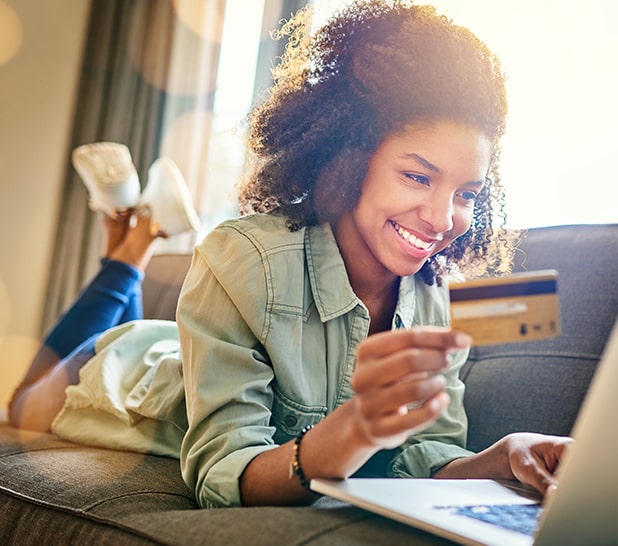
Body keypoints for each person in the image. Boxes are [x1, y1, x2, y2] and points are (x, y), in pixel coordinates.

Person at [10, 0, 571, 511]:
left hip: (192, 349)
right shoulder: (244, 256)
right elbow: (221, 474)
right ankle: (128, 252)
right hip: (118, 378)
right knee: (21, 407)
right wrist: (353, 429)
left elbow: (421, 457)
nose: (443, 218)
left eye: (466, 194)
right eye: (416, 176)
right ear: (349, 157)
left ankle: (133, 235)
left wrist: (498, 457)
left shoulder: (432, 297)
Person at [8, 142, 200, 435]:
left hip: (105, 378)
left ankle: (129, 233)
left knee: (18, 403)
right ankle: (137, 233)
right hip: (118, 373)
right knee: (124, 346)